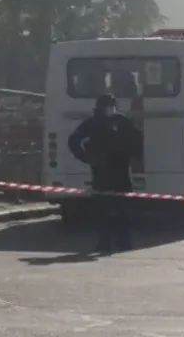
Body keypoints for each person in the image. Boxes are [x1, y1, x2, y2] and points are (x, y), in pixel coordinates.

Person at [67, 94, 144, 254]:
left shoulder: (121, 121)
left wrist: (133, 154)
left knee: (122, 207)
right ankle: (106, 241)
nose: (109, 109)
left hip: (119, 168)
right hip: (102, 170)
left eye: (110, 105)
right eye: (106, 106)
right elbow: (73, 140)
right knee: (103, 208)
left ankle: (122, 240)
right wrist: (86, 157)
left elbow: (138, 137)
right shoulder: (93, 123)